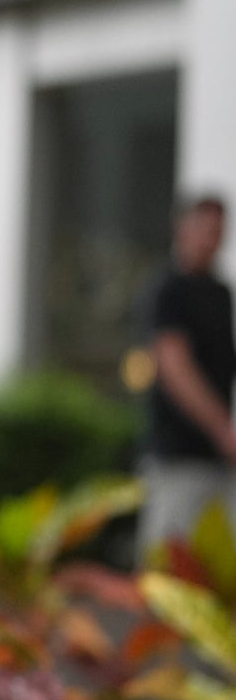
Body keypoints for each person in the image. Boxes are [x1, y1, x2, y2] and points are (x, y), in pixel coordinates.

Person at [139, 193, 234, 554]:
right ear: (184, 229)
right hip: (177, 454)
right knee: (169, 561)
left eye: (220, 231)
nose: (215, 239)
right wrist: (222, 428)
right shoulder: (169, 291)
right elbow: (175, 367)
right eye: (207, 230)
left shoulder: (221, 293)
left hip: (217, 460)